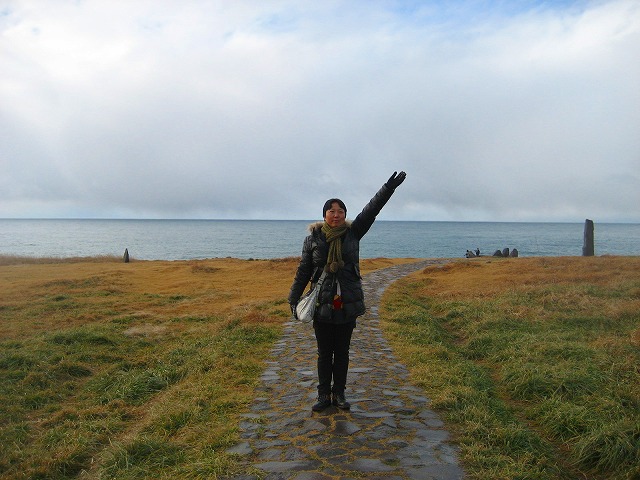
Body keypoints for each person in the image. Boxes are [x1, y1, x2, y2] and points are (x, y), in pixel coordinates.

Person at [288, 171, 407, 412]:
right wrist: (293, 298)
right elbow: (303, 270)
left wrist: (388, 188)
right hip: (322, 302)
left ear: (345, 215)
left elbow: (371, 210)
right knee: (324, 353)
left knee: (342, 352)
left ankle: (339, 393)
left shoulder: (353, 232)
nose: (336, 215)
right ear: (324, 215)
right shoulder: (313, 239)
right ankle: (323, 395)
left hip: (347, 302)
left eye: (340, 211)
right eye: (331, 211)